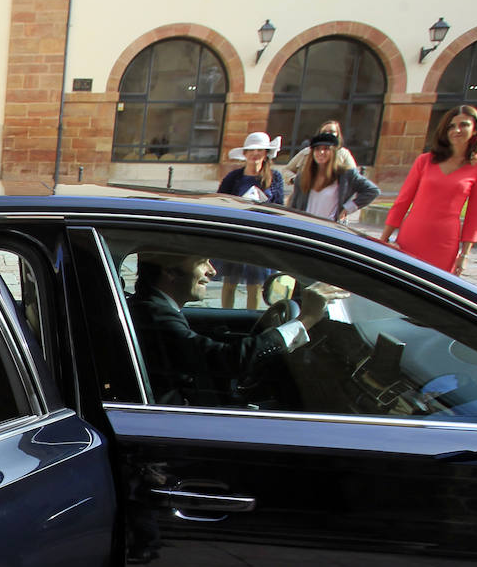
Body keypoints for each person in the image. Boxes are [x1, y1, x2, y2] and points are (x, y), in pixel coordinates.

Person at [128, 252, 326, 405]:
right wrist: (306, 320)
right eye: (201, 262)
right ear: (169, 271)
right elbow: (226, 361)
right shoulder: (154, 315)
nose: (212, 271)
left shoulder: (154, 308)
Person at [380, 105, 477, 275]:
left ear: (475, 130)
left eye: (464, 125)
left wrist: (465, 254)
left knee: (433, 289)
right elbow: (403, 201)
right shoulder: (425, 160)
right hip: (412, 234)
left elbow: (476, 213)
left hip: (445, 241)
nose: (457, 130)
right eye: (451, 126)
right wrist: (383, 239)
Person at [216, 132, 285, 309]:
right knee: (229, 283)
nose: (255, 154)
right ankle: (225, 318)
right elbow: (219, 202)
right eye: (252, 150)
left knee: (255, 286)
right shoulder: (233, 178)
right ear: (245, 154)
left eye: (260, 150)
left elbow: (279, 208)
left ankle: (249, 321)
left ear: (266, 153)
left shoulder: (275, 178)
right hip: (236, 235)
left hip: (260, 237)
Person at [287, 130, 380, 222]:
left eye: (326, 149)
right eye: (317, 149)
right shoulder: (303, 176)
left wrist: (347, 208)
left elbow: (372, 191)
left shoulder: (346, 174)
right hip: (306, 226)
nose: (321, 152)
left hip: (330, 227)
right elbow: (294, 205)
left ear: (334, 152)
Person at [283, 119, 358, 185]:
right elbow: (287, 170)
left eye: (332, 132)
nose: (327, 134)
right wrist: (295, 180)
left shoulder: (343, 153)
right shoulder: (307, 152)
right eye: (324, 131)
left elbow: (354, 176)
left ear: (337, 134)